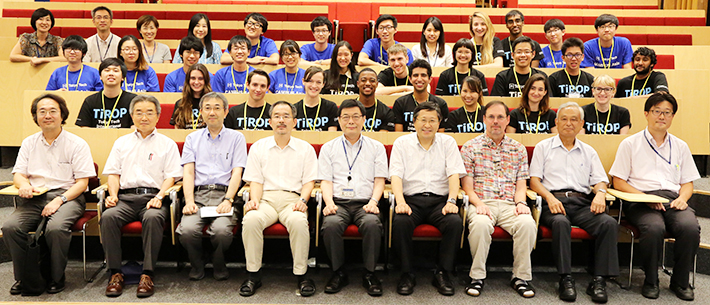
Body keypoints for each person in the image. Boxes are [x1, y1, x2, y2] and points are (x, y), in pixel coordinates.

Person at [609, 92, 700, 301]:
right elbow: (619, 182)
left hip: (672, 199)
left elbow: (687, 183)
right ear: (646, 114)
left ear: (672, 117)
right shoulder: (630, 144)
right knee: (654, 228)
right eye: (657, 111)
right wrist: (644, 198)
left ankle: (680, 280)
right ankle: (651, 280)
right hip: (640, 199)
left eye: (667, 113)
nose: (662, 116)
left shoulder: (680, 146)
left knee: (690, 228)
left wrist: (683, 199)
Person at [3, 94, 95, 295]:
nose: (47, 115)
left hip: (67, 197)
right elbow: (18, 174)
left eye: (53, 111)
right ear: (35, 117)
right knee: (10, 227)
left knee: (55, 228)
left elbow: (82, 183)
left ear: (62, 115)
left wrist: (59, 200)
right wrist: (24, 185)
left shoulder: (77, 143)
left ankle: (55, 276)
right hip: (35, 197)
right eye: (41, 111)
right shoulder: (29, 142)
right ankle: (25, 277)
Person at [529, 102, 619, 303]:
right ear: (556, 122)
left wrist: (601, 194)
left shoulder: (589, 151)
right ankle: (565, 278)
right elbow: (534, 181)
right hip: (553, 201)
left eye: (574, 120)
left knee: (609, 223)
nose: (568, 124)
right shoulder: (544, 147)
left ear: (581, 124)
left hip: (581, 203)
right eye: (564, 119)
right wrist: (549, 198)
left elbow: (599, 180)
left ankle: (598, 279)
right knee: (561, 223)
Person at [101, 95, 182, 298]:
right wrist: (112, 195)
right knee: (108, 216)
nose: (143, 117)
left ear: (158, 116)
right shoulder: (121, 142)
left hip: (154, 197)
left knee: (153, 218)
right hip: (125, 198)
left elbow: (171, 176)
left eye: (149, 112)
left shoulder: (167, 144)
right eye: (139, 112)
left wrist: (161, 196)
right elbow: (113, 173)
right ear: (131, 115)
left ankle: (147, 273)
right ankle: (115, 273)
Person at [240, 101, 318, 297]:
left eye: (286, 116)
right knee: (251, 219)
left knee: (299, 223)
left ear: (294, 121)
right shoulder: (259, 147)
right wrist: (254, 200)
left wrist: (303, 200)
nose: (281, 120)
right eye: (277, 116)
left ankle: (302, 274)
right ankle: (253, 274)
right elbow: (255, 181)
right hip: (266, 199)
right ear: (270, 121)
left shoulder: (305, 148)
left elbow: (309, 182)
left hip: (293, 199)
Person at [460, 100, 536, 298]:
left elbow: (521, 187)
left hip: (510, 204)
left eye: (500, 117)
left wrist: (521, 203)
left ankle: (520, 277)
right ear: (484, 119)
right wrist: (479, 204)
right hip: (482, 202)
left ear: (507, 120)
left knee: (527, 223)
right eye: (491, 117)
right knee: (481, 223)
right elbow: (467, 187)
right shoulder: (470, 147)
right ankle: (476, 276)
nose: (496, 121)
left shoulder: (518, 149)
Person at [390, 102, 466, 296]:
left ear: (439, 122)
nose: (427, 125)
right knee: (400, 222)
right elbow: (396, 176)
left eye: (433, 120)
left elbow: (454, 175)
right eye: (423, 120)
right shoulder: (401, 143)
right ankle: (407, 273)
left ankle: (442, 272)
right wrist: (400, 202)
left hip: (439, 201)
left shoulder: (447, 142)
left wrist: (451, 201)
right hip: (411, 200)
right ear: (414, 122)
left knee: (454, 223)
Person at [318, 99, 388, 296]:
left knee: (372, 224)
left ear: (364, 120)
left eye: (356, 117)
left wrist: (374, 202)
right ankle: (338, 272)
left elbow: (380, 180)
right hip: (338, 202)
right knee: (330, 225)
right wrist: (329, 203)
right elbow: (325, 180)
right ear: (339, 120)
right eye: (346, 117)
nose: (351, 121)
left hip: (366, 203)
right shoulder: (328, 147)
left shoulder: (376, 147)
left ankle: (370, 273)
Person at [176, 92, 247, 281]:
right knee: (187, 231)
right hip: (198, 196)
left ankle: (218, 261)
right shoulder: (192, 138)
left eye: (217, 108)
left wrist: (228, 199)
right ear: (201, 112)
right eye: (207, 108)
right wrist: (189, 201)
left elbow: (237, 173)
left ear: (225, 112)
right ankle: (197, 263)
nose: (212, 112)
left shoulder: (236, 138)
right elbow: (188, 173)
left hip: (224, 194)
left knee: (222, 232)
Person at [75, 58, 138, 128]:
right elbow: (84, 128)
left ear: (123, 77)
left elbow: (135, 127)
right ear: (100, 76)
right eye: (107, 70)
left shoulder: (133, 100)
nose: (111, 74)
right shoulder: (90, 101)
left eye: (115, 70)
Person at [393, 59, 449, 132]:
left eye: (423, 75)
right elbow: (398, 135)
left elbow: (441, 136)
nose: (419, 79)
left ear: (430, 79)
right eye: (415, 75)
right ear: (410, 79)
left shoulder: (440, 104)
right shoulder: (400, 103)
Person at [294, 66, 338, 131]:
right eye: (310, 81)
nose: (314, 86)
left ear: (323, 84)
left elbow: (332, 136)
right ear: (303, 81)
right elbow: (294, 137)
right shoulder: (294, 109)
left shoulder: (331, 107)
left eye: (318, 82)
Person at [170, 64, 212, 129]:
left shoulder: (213, 104)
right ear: (188, 81)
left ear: (205, 81)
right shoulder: (180, 104)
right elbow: (177, 131)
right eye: (193, 78)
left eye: (200, 79)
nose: (196, 82)